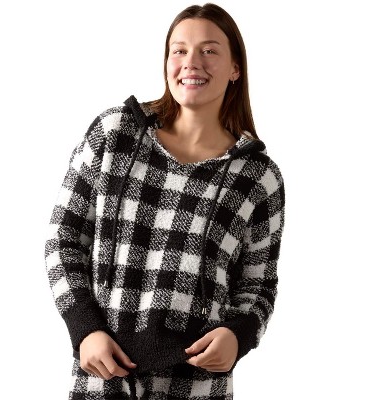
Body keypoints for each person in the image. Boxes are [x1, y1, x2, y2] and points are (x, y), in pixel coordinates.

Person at [44, 3, 286, 399]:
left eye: (209, 50)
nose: (192, 62)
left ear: (235, 68)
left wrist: (237, 336)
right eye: (179, 50)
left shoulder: (258, 177)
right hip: (103, 378)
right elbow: (63, 239)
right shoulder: (114, 133)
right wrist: (84, 329)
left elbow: (258, 285)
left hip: (198, 384)